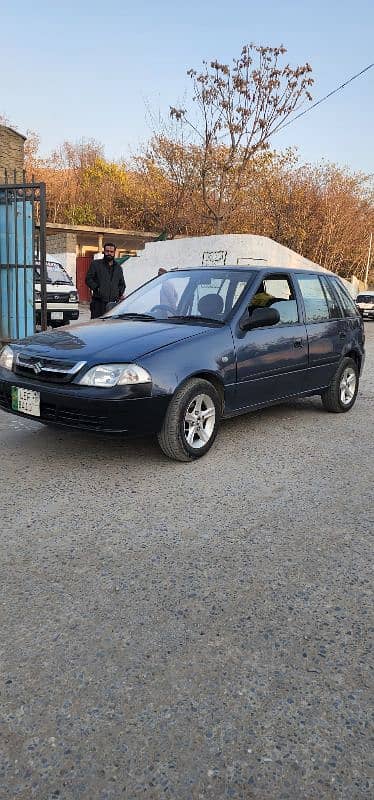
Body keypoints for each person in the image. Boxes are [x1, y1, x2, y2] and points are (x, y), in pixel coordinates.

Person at [86, 243, 125, 319]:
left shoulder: (118, 267)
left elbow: (122, 284)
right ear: (104, 251)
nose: (109, 253)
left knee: (111, 327)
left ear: (114, 253)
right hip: (98, 303)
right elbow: (88, 279)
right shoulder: (96, 264)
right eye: (107, 251)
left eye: (111, 251)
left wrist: (119, 294)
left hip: (113, 305)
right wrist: (97, 288)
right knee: (96, 326)